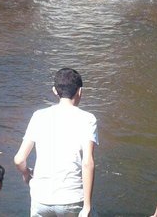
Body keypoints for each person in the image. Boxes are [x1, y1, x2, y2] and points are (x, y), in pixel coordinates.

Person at [14, 67, 98, 217]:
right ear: (80, 91)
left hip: (41, 198)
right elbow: (87, 163)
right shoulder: (88, 119)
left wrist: (26, 175)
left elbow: (19, 159)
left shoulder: (38, 116)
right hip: (71, 199)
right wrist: (87, 206)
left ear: (54, 91)